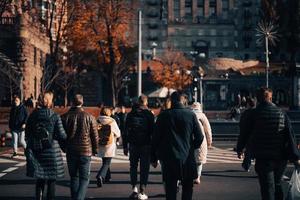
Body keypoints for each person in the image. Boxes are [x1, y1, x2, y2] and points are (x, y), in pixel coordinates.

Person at [236, 87, 300, 200]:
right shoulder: (281, 113)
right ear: (270, 98)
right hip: (281, 157)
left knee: (267, 187)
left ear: (257, 99)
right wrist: (295, 156)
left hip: (263, 156)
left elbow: (244, 133)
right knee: (277, 183)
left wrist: (240, 148)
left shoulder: (252, 114)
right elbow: (290, 136)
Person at [151, 91, 203, 200]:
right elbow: (200, 136)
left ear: (171, 101)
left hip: (169, 157)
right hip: (187, 157)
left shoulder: (163, 116)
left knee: (170, 190)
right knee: (187, 189)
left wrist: (153, 157)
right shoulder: (191, 115)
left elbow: (155, 139)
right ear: (183, 101)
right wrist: (191, 147)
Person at [25, 92, 66, 200]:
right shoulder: (55, 116)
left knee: (40, 178)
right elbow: (62, 135)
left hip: (37, 150)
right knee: (52, 180)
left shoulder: (33, 116)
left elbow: (27, 133)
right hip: (52, 151)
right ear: (50, 101)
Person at [62, 94, 99, 200]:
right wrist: (95, 149)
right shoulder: (89, 117)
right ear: (82, 102)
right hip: (85, 150)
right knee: (84, 178)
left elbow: (60, 134)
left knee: (74, 177)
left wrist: (63, 147)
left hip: (71, 150)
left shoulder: (65, 117)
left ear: (72, 102)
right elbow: (95, 135)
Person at [124, 95, 155, 200]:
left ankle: (134, 189)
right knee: (144, 168)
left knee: (133, 166)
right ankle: (142, 191)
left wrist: (125, 146)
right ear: (146, 102)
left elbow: (125, 131)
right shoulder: (149, 114)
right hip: (146, 144)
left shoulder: (131, 114)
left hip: (133, 144)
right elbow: (153, 132)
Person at [96, 107, 120, 187]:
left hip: (100, 143)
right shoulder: (112, 121)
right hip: (110, 144)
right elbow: (118, 133)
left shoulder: (97, 120)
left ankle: (107, 177)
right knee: (107, 162)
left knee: (104, 161)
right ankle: (100, 175)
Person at [191, 102, 212, 184]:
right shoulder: (202, 116)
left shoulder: (189, 114)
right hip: (201, 140)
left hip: (190, 139)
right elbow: (208, 130)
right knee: (199, 160)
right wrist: (209, 141)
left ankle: (192, 175)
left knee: (191, 159)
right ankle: (197, 177)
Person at [238, 97, 256, 172]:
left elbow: (241, 123)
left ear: (248, 104)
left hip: (248, 133)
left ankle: (246, 164)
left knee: (248, 149)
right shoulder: (257, 112)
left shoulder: (246, 113)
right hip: (256, 133)